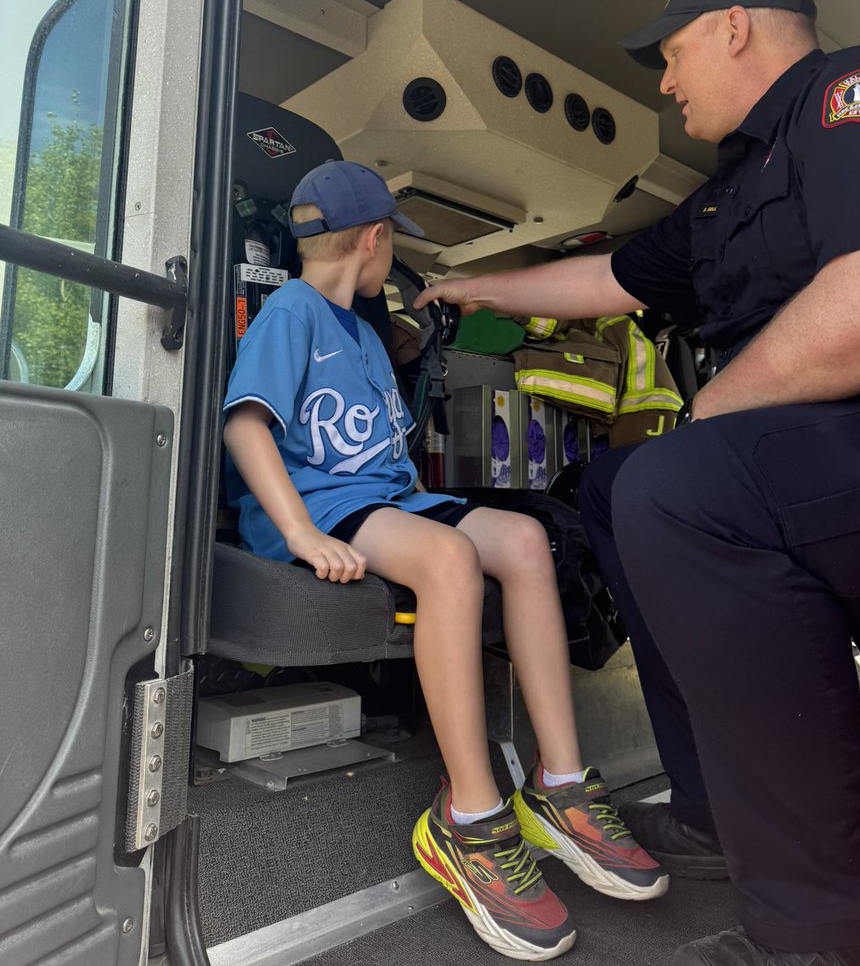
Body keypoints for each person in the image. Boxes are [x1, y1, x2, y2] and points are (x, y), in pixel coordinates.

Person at [415, 0, 860, 965]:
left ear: (735, 25)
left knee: (677, 483)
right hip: (806, 471)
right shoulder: (720, 198)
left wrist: (710, 413)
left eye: (672, 55)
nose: (667, 83)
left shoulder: (854, 97)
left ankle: (831, 934)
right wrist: (472, 286)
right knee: (621, 490)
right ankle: (717, 809)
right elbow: (607, 283)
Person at [222, 159, 668, 962]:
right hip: (321, 506)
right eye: (394, 243)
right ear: (374, 239)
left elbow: (384, 451)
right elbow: (246, 425)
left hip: (389, 500)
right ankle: (470, 818)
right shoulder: (290, 312)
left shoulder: (364, 333)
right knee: (451, 558)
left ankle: (560, 783)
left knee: (526, 540)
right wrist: (299, 534)